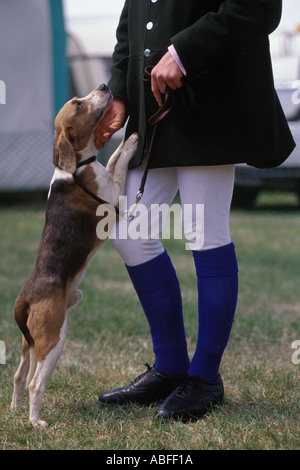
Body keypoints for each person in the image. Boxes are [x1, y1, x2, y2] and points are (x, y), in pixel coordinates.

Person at [94, 0, 295, 422]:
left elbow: (258, 8)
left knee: (204, 233)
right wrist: (121, 92)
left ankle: (205, 378)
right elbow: (132, 27)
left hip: (209, 107)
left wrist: (184, 51)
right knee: (128, 233)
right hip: (156, 116)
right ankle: (170, 368)